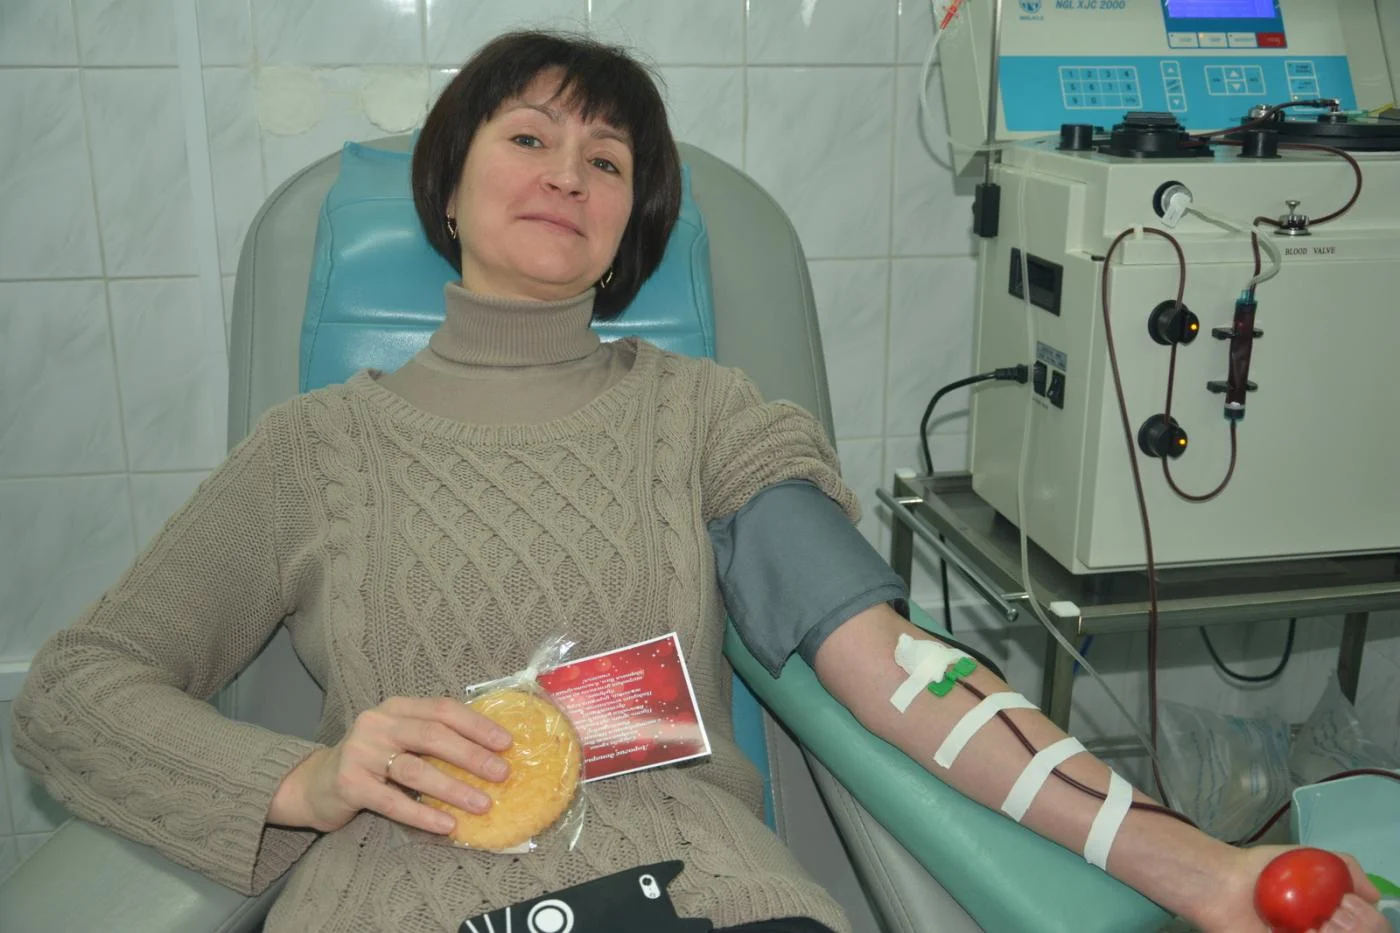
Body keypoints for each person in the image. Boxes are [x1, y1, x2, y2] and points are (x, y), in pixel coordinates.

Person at [11, 30, 1386, 933]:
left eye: (606, 161)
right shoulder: (312, 449)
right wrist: (308, 781)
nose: (568, 174)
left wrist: (1198, 865)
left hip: (699, 891)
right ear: (449, 190)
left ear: (632, 229)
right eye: (528, 139)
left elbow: (895, 671)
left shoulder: (706, 418)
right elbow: (76, 691)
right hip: (395, 895)